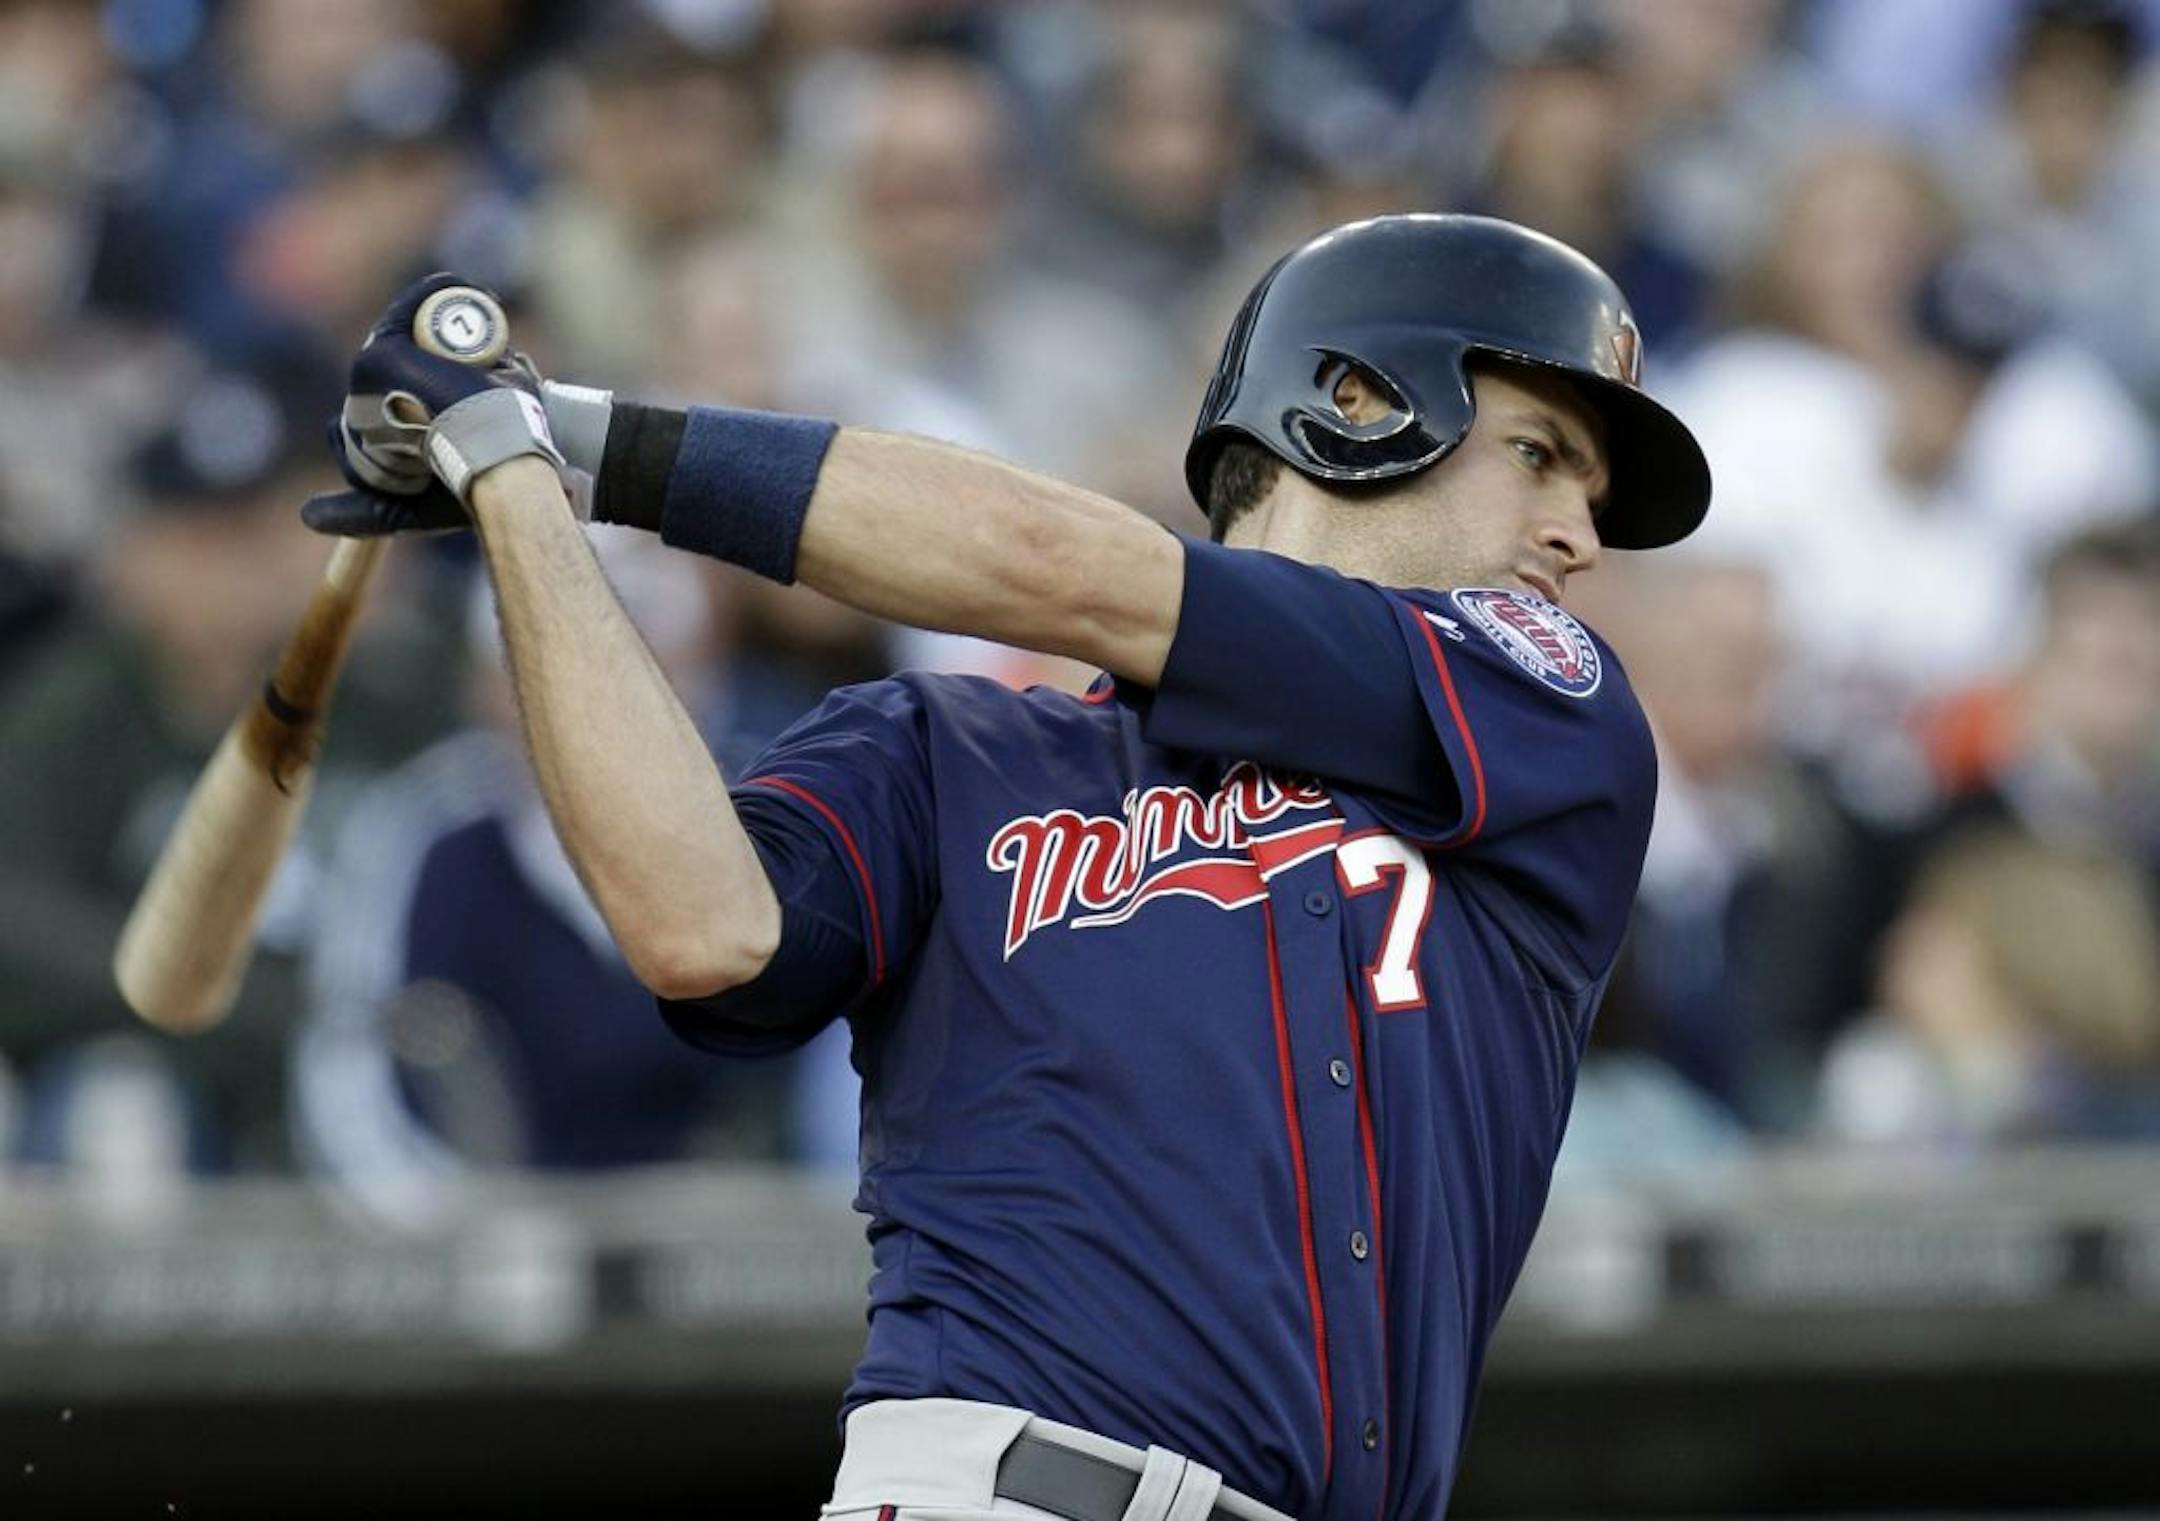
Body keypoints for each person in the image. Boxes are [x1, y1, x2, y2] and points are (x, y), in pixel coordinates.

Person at [310, 213, 1710, 1520]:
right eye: (1538, 455)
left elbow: (1067, 570)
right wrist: (515, 489)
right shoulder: (948, 749)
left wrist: (573, 435)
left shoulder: (1545, 724)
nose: (1578, 535)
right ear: (1357, 404)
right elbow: (699, 925)